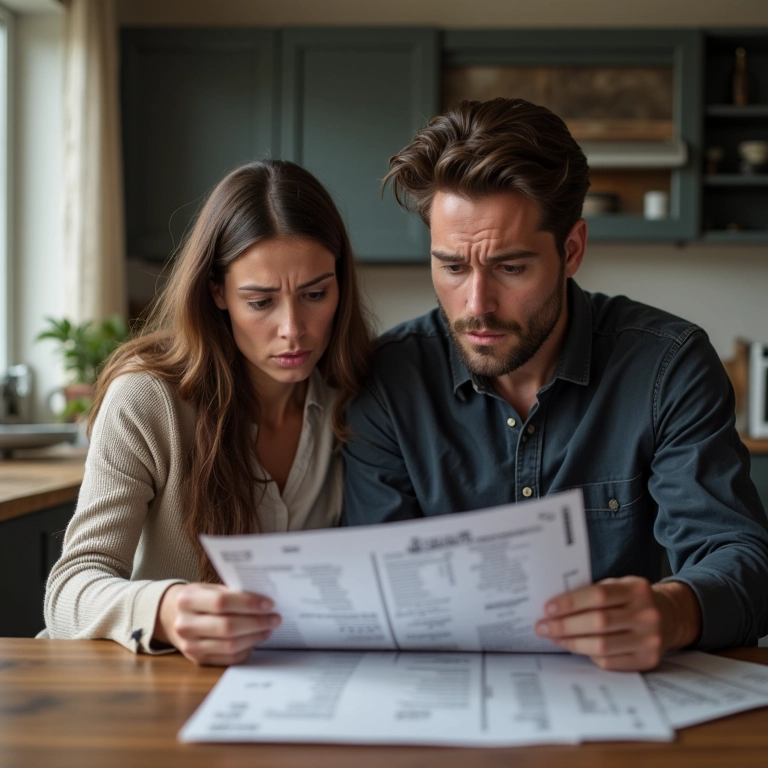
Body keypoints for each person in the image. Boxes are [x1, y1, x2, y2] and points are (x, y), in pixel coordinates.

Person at [342, 98, 768, 671]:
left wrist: (671, 612)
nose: (477, 305)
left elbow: (741, 558)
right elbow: (376, 584)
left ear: (571, 250)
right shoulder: (388, 380)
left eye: (511, 268)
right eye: (453, 266)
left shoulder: (668, 367)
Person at [44, 159, 372, 665]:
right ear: (217, 292)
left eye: (315, 294)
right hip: (153, 687)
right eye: (260, 301)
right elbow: (68, 591)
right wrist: (166, 608)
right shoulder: (147, 400)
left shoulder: (355, 396)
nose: (293, 328)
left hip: (292, 678)